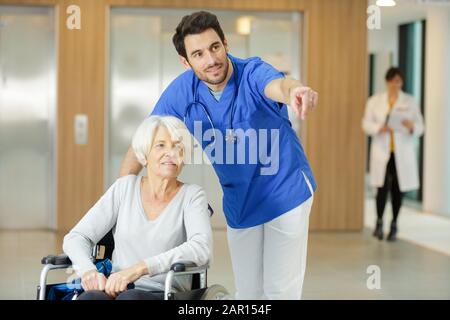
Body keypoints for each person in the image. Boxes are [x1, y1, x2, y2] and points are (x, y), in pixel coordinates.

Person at [119, 11, 318, 300]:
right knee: (248, 293)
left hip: (284, 192)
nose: (210, 59)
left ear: (225, 43)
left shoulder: (252, 72)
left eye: (214, 47)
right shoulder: (183, 91)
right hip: (240, 201)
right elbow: (144, 140)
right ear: (186, 62)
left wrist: (295, 91)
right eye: (198, 54)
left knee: (279, 291)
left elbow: (280, 85)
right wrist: (120, 199)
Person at [63, 116, 212, 300]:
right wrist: (88, 271)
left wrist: (139, 269)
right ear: (144, 154)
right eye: (160, 145)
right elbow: (76, 237)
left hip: (164, 292)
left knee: (130, 299)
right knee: (90, 298)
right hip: (115, 288)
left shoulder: (192, 195)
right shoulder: (124, 188)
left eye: (177, 146)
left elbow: (201, 248)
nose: (171, 153)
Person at [362, 67, 424, 242]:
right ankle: (379, 222)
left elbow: (420, 126)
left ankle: (394, 224)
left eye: (398, 81)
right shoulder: (375, 101)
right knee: (381, 189)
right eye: (392, 81)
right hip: (382, 151)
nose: (395, 84)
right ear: (387, 81)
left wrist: (412, 126)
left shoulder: (410, 102)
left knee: (398, 190)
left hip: (401, 153)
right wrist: (378, 128)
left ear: (401, 82)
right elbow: (365, 123)